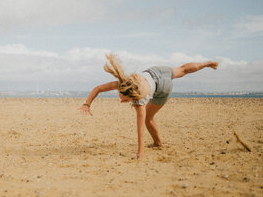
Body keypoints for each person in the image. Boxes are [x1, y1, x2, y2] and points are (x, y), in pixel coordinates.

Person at [80, 53, 218, 159]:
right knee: (183, 69)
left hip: (163, 88)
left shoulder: (139, 102)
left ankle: (158, 143)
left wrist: (140, 152)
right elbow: (98, 88)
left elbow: (140, 128)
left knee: (148, 119)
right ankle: (207, 64)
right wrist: (87, 104)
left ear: (133, 96)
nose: (122, 101)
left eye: (125, 100)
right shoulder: (124, 83)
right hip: (156, 72)